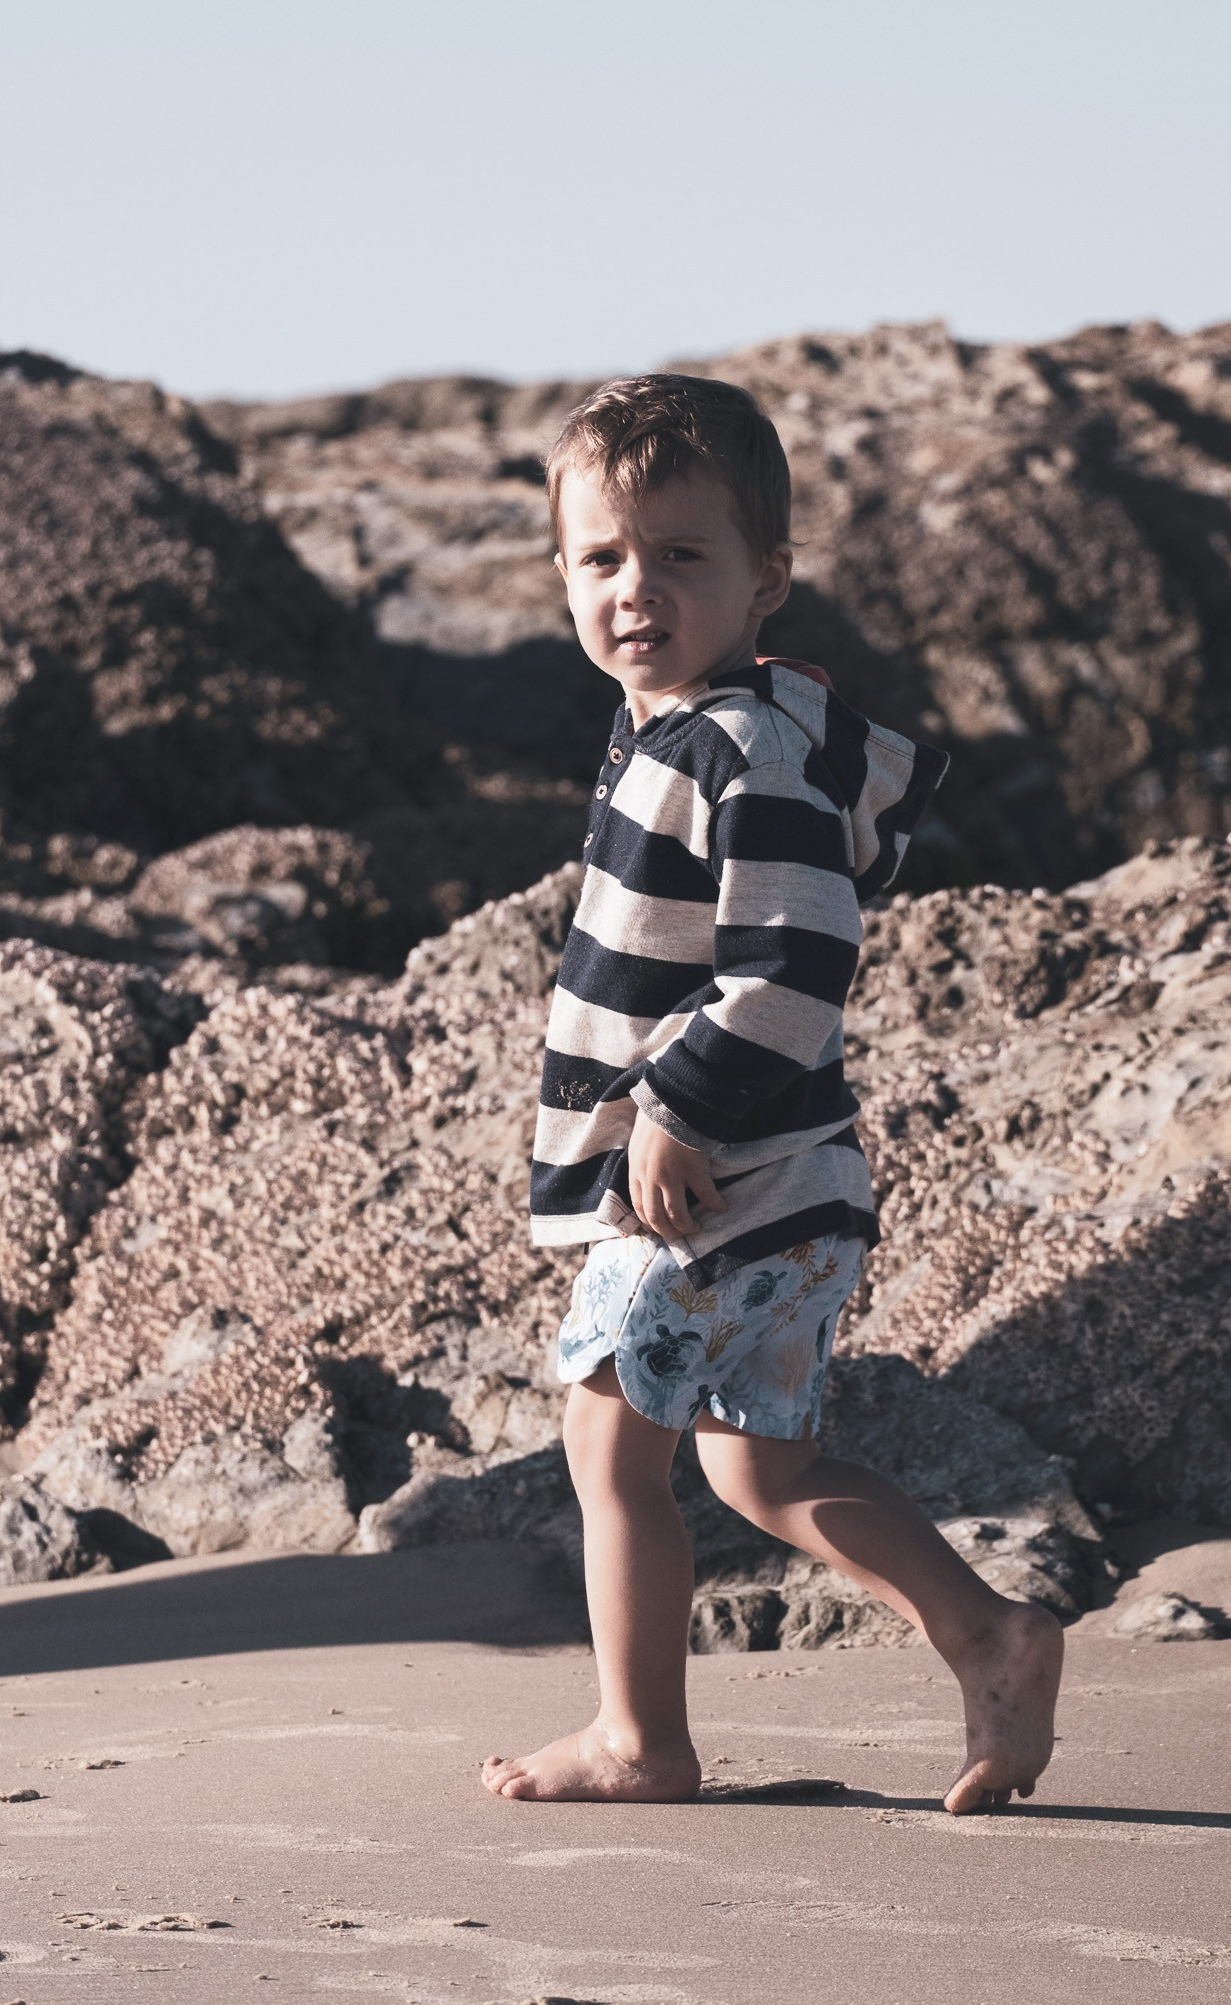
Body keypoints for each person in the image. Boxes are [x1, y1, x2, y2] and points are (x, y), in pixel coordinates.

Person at [481, 374, 1062, 1811]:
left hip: (717, 1177)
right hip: (783, 1183)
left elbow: (798, 959)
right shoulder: (696, 725)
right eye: (604, 559)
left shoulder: (741, 749)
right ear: (561, 574)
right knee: (758, 1467)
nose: (637, 591)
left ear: (767, 580)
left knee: (609, 1443)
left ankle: (639, 1740)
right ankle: (985, 1632)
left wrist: (675, 1107)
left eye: (683, 557)